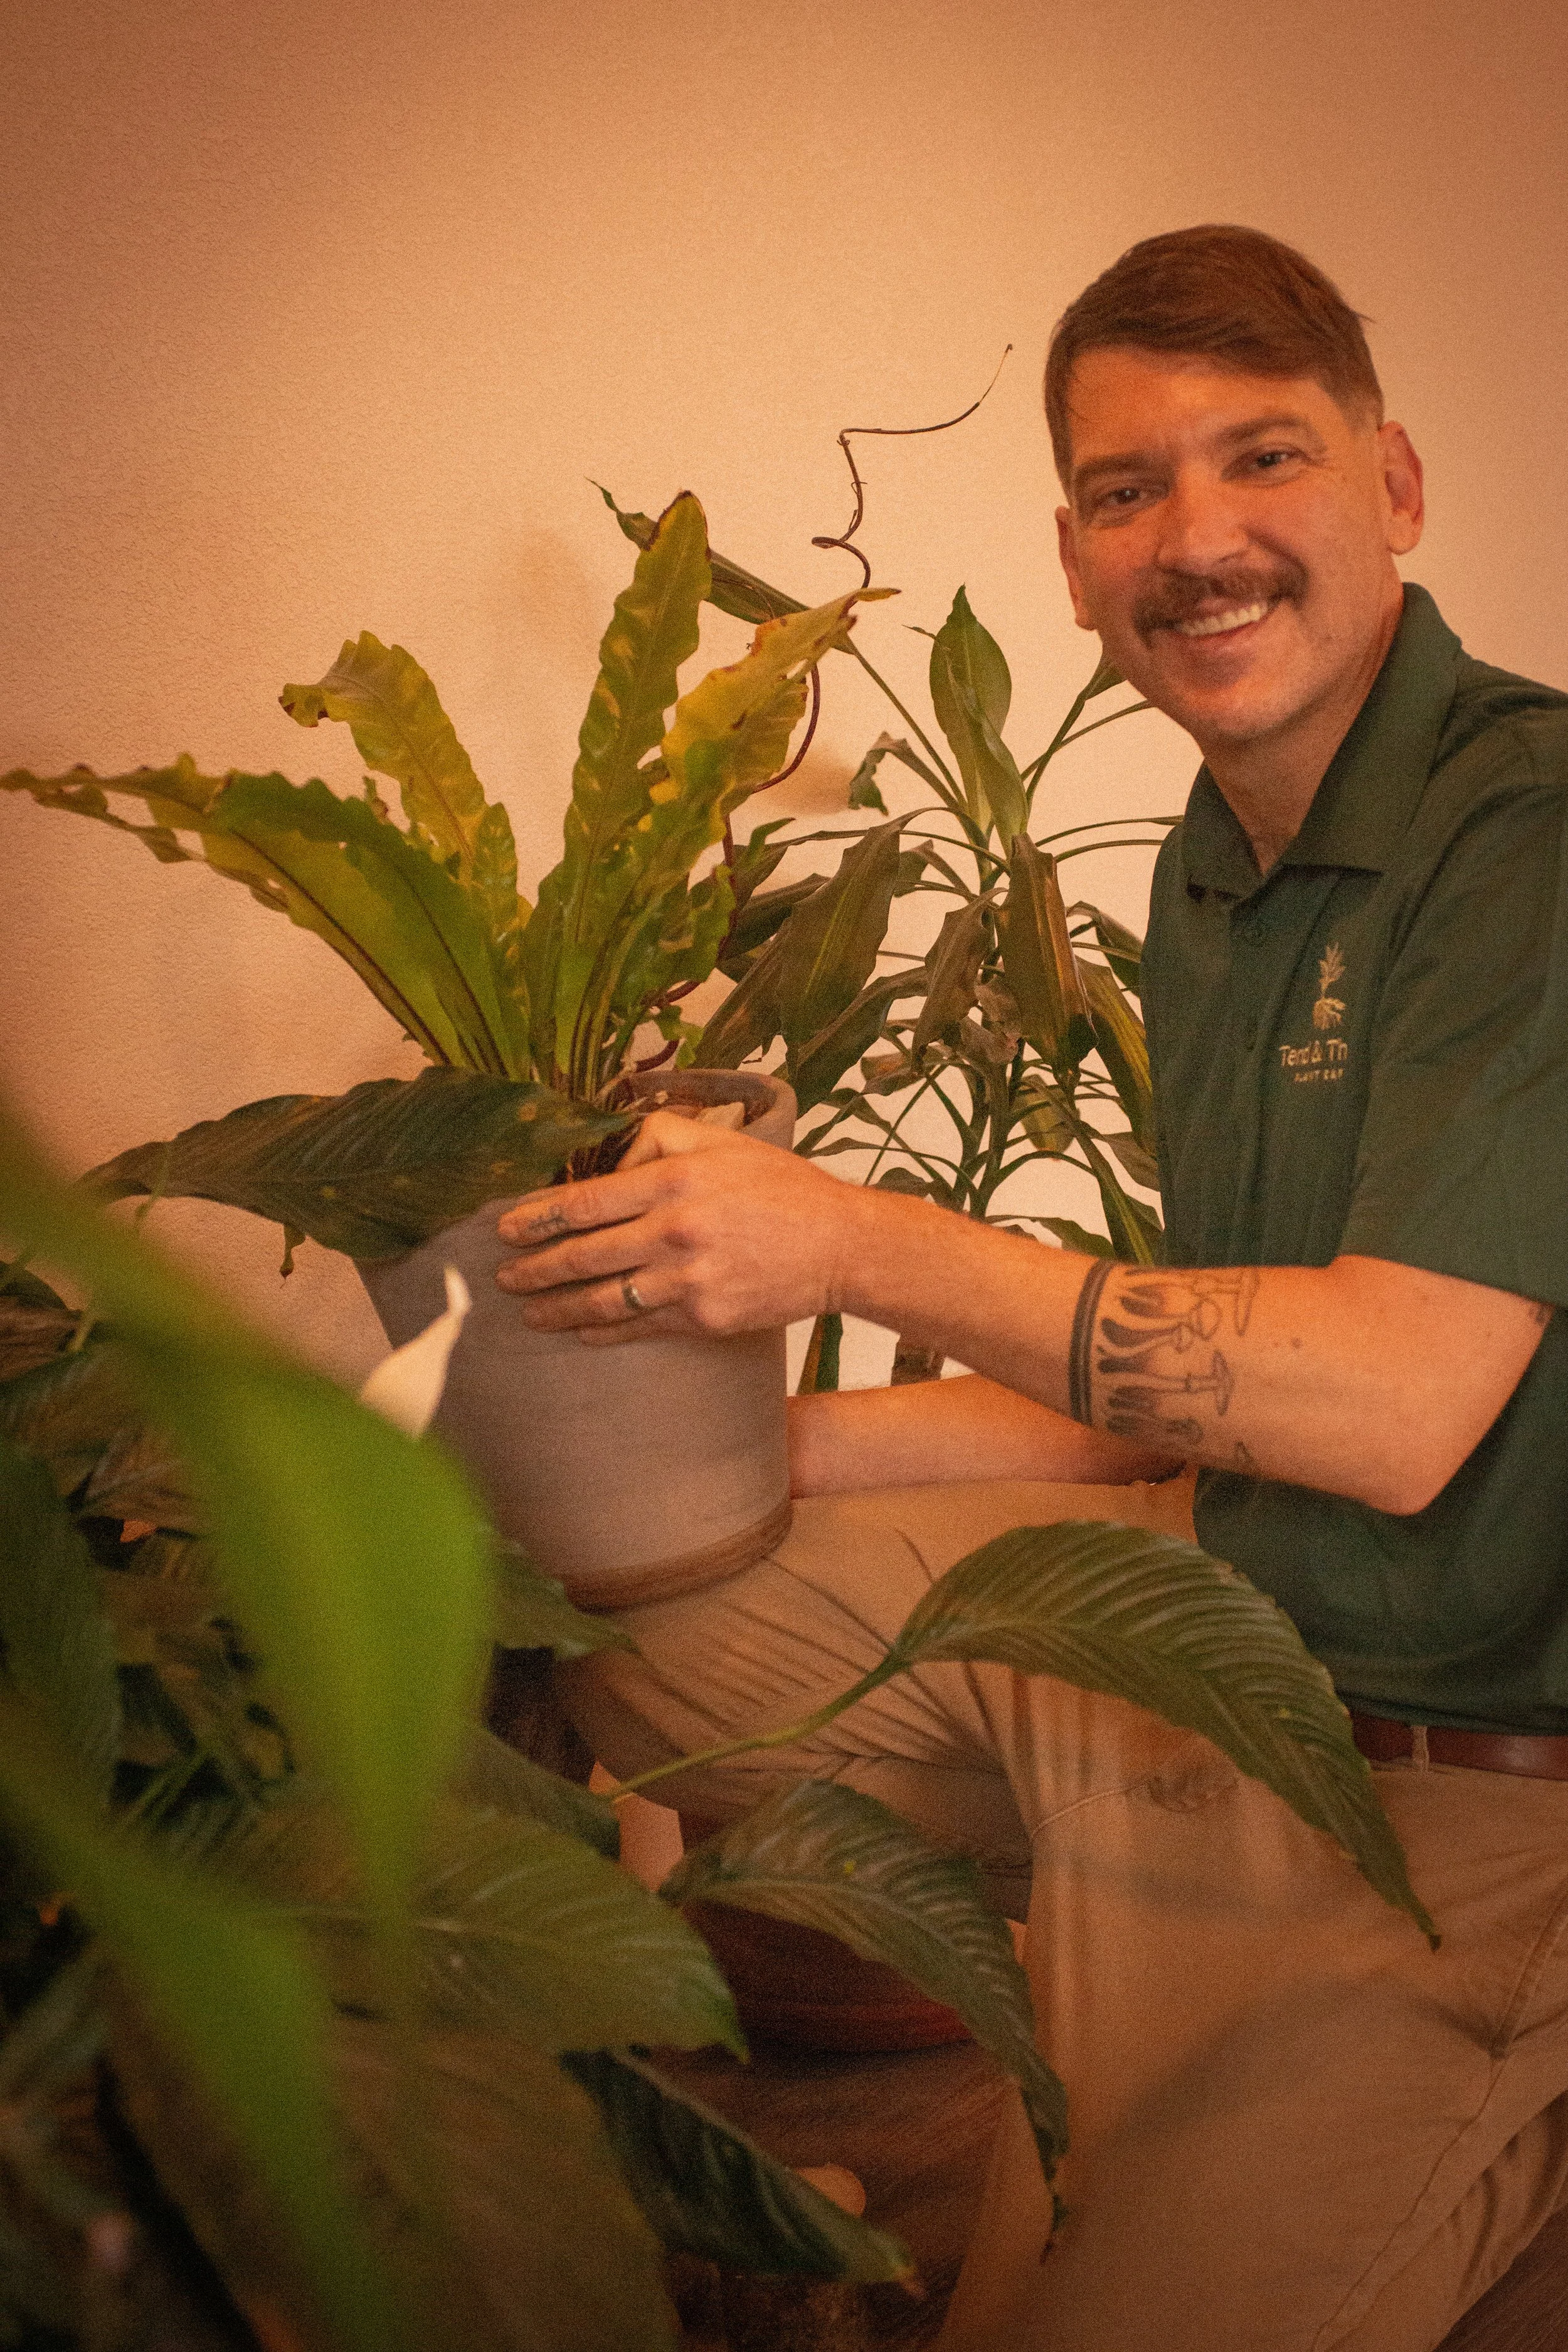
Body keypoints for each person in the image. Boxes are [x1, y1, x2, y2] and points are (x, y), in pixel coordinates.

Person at [494, 226, 1568, 2349]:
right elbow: (1201, 1365)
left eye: (1261, 457)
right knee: (664, 1582)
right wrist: (773, 1440)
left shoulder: (1520, 829)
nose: (1196, 538)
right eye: (1122, 487)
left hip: (1466, 1802)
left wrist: (852, 1241)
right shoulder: (1214, 864)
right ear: (1071, 564)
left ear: (1398, 486)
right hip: (1224, 1645)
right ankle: (1063, 2043)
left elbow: (1392, 1397)